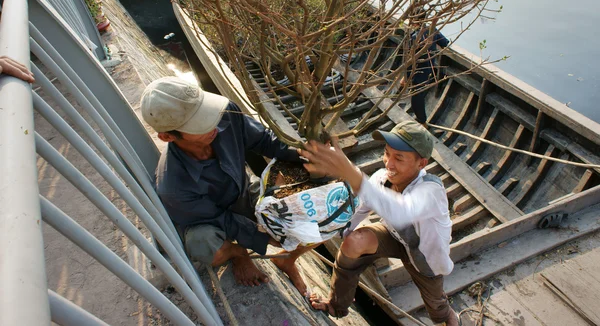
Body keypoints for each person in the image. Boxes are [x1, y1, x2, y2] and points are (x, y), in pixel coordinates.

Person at [140, 77, 312, 294]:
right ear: (167, 137)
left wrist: (304, 156)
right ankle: (236, 252)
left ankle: (287, 261)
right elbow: (221, 219)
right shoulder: (173, 187)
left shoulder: (225, 114)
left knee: (303, 206)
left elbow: (265, 141)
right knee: (204, 245)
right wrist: (260, 238)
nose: (213, 123)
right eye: (199, 124)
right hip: (207, 221)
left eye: (206, 112)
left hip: (240, 192)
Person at [300, 120, 459, 326]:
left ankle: (448, 317)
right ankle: (336, 304)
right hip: (394, 236)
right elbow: (362, 208)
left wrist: (351, 173)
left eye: (399, 158)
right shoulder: (382, 178)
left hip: (425, 257)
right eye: (387, 153)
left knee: (437, 306)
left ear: (422, 164)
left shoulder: (431, 191)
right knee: (353, 242)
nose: (389, 163)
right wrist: (335, 229)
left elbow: (401, 211)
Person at [404, 12, 450, 125]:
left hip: (418, 70)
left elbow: (409, 59)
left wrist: (406, 77)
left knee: (416, 97)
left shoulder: (415, 36)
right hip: (428, 69)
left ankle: (421, 120)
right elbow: (445, 43)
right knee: (418, 95)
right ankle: (421, 119)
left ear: (416, 21)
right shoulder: (432, 30)